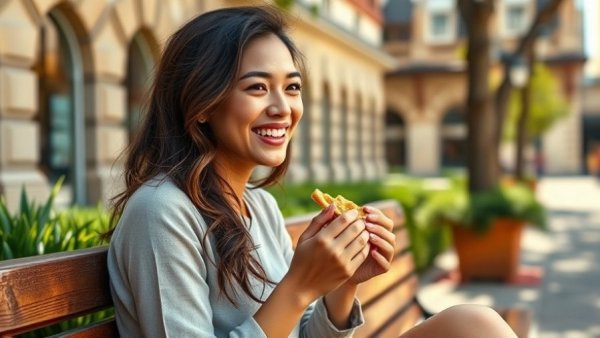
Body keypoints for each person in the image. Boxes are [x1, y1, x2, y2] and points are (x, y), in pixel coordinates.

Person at [106, 6, 517, 338]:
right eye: (256, 87)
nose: (283, 108)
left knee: (475, 325)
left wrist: (343, 283)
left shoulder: (259, 207)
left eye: (292, 87)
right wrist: (299, 285)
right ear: (201, 105)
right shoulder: (160, 213)